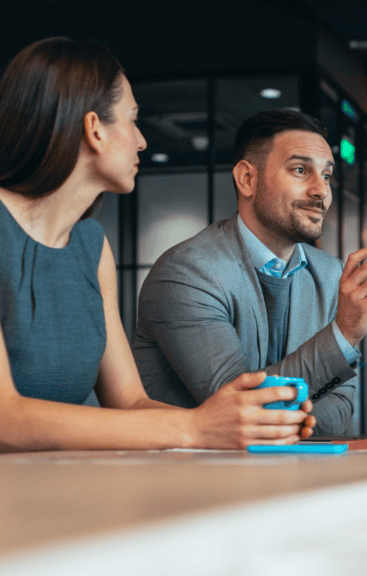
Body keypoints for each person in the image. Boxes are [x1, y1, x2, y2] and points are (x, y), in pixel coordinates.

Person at [0, 37, 314, 451]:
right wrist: (194, 429)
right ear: (94, 129)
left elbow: (129, 402)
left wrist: (240, 423)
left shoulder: (91, 246)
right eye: (131, 120)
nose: (142, 141)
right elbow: (6, 417)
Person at [132, 110, 367, 436]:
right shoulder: (187, 273)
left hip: (295, 477)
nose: (321, 191)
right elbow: (245, 408)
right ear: (247, 179)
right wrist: (343, 334)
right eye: (301, 170)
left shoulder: (332, 273)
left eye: (327, 175)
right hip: (194, 479)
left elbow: (342, 411)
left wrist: (284, 419)